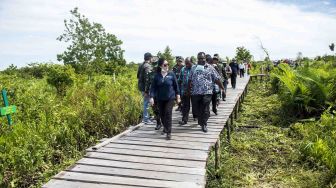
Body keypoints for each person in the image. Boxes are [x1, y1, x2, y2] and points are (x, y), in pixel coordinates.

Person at [188, 52, 224, 133]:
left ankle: (204, 124)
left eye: (203, 58)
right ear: (197, 59)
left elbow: (217, 78)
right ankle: (201, 121)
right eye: (200, 58)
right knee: (197, 109)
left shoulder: (210, 68)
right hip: (195, 92)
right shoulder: (193, 68)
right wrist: (188, 89)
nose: (201, 60)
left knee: (205, 106)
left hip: (207, 91)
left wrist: (222, 88)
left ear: (205, 59)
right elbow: (189, 79)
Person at [150, 58, 180, 140]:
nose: (167, 66)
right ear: (160, 66)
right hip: (160, 98)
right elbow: (153, 88)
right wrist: (151, 97)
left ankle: (169, 132)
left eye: (168, 64)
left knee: (168, 113)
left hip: (170, 98)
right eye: (165, 65)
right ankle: (165, 128)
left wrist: (178, 95)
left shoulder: (171, 74)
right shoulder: (157, 76)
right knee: (162, 115)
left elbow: (176, 85)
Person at [137, 52, 161, 127]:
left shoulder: (141, 65)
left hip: (141, 86)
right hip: (145, 88)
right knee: (146, 103)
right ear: (150, 58)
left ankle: (147, 117)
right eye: (151, 58)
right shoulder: (148, 66)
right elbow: (148, 79)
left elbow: (137, 76)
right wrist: (147, 90)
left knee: (146, 102)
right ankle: (146, 119)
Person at [178, 57, 193, 125]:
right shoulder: (183, 69)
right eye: (186, 63)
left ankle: (196, 116)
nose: (186, 65)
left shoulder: (195, 69)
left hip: (194, 91)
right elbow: (179, 80)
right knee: (185, 106)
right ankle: (184, 119)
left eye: (188, 63)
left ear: (191, 62)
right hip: (184, 91)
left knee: (195, 106)